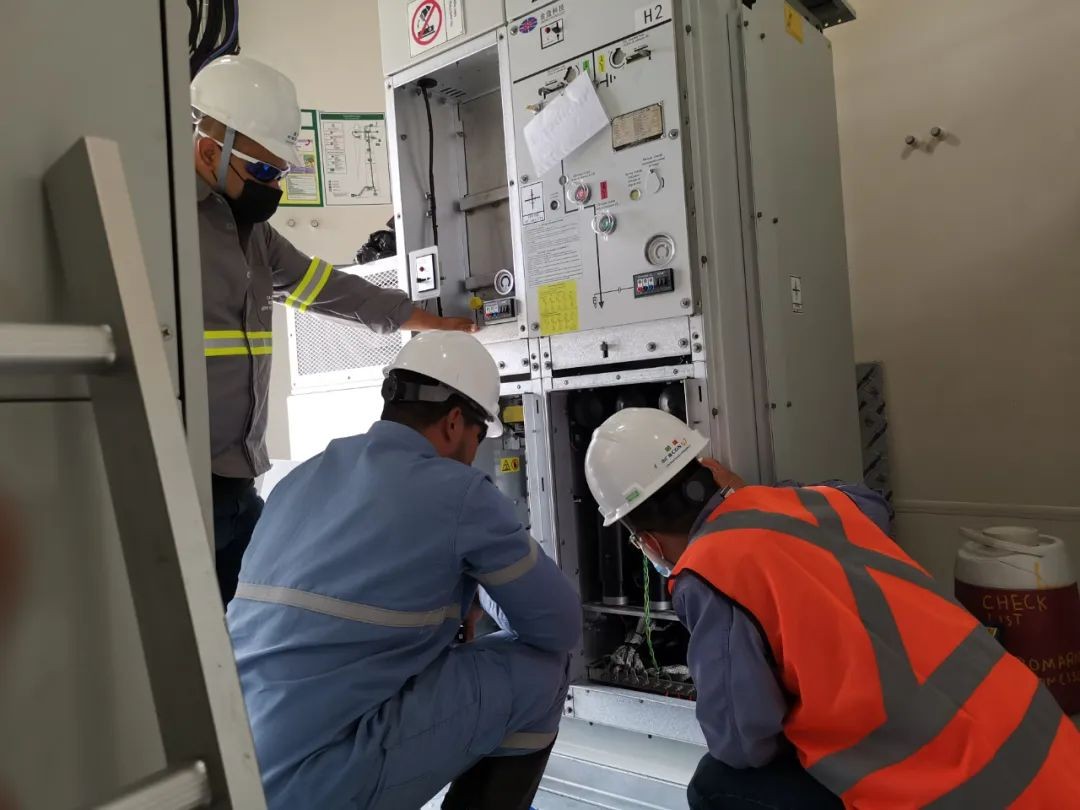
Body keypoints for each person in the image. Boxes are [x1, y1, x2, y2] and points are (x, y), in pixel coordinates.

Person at [584, 408, 1080, 809]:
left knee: (716, 785)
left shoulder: (706, 573)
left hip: (954, 794)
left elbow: (741, 742)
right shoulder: (821, 504)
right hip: (1050, 754)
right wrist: (747, 495)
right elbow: (872, 504)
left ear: (648, 542)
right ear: (710, 471)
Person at [226, 331, 582, 809]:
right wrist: (480, 582)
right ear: (454, 422)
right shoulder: (459, 492)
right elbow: (559, 627)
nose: (475, 453)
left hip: (238, 768)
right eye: (479, 437)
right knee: (545, 671)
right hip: (318, 782)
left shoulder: (298, 478)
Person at [190, 55, 475, 605]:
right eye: (266, 173)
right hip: (183, 483)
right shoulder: (167, 225)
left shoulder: (254, 235)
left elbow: (325, 287)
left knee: (258, 619)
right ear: (208, 153)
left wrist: (429, 323)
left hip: (237, 479)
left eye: (281, 173)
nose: (275, 187)